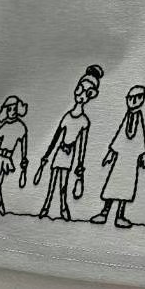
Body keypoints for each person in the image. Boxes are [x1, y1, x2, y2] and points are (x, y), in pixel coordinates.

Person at [33, 65, 104, 221]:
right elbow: (55, 138)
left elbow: (82, 146)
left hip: (68, 155)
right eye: (80, 89)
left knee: (63, 183)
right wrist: (46, 156)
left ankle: (63, 207)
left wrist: (80, 165)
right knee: (52, 181)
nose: (82, 95)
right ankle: (46, 206)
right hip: (59, 152)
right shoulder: (66, 117)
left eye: (88, 93)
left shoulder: (84, 122)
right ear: (77, 89)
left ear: (91, 95)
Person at [90, 84, 145, 228]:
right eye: (131, 98)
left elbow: (141, 137)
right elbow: (120, 136)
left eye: (138, 98)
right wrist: (110, 153)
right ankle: (104, 212)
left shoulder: (139, 117)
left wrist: (143, 154)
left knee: (126, 187)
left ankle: (120, 216)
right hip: (120, 157)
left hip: (131, 158)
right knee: (113, 183)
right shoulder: (127, 117)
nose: (134, 101)